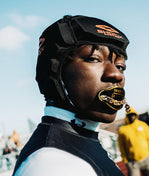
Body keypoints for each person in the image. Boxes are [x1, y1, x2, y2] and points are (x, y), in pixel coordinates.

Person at [12, 15, 130, 176]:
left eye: (120, 66)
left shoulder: (77, 144)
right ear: (55, 72)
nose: (116, 74)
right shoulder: (51, 165)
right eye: (94, 59)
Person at [118, 107, 149, 176]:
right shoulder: (122, 129)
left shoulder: (143, 125)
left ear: (136, 115)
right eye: (129, 115)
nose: (132, 117)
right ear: (127, 116)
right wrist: (125, 160)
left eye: (133, 115)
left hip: (147, 158)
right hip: (132, 161)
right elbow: (121, 145)